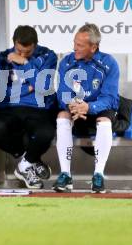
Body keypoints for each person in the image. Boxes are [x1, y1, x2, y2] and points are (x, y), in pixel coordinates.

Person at [0, 25, 57, 189]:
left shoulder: (48, 55)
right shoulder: (2, 58)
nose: (22, 54)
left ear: (35, 45)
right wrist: (30, 88)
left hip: (38, 108)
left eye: (28, 52)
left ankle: (24, 167)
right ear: (14, 43)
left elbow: (44, 87)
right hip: (10, 108)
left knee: (46, 133)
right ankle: (30, 160)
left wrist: (25, 63)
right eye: (19, 51)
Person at [53, 23, 119, 194]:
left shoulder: (109, 63)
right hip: (75, 109)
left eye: (80, 45)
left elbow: (110, 98)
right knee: (61, 116)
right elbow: (62, 92)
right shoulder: (67, 62)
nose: (75, 47)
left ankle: (98, 175)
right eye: (75, 43)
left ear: (93, 47)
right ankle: (65, 174)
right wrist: (72, 106)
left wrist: (89, 107)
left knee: (105, 121)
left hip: (97, 108)